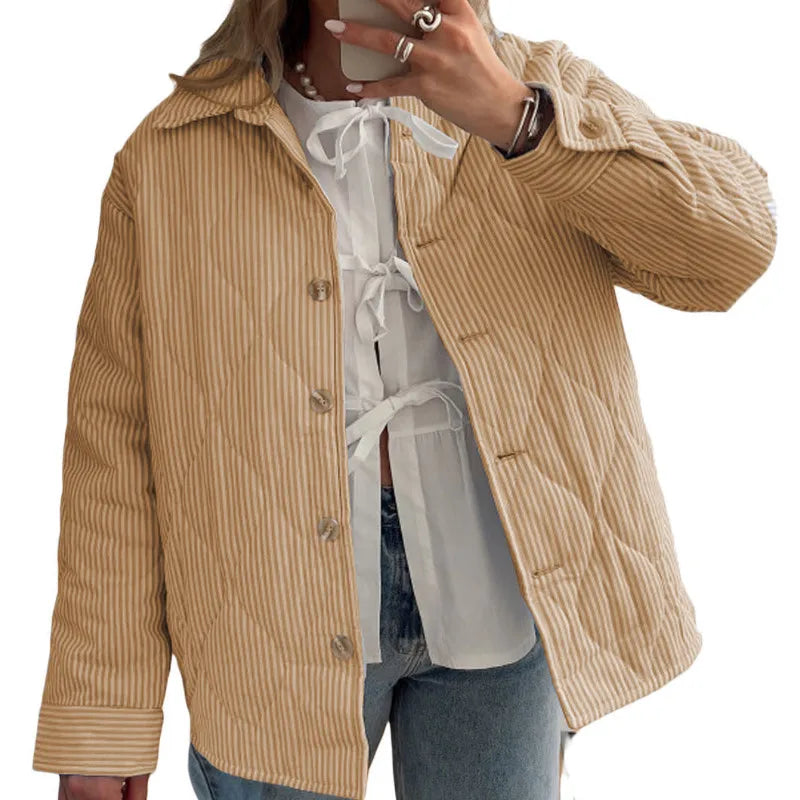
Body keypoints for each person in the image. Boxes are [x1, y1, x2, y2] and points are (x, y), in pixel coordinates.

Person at [32, 1, 777, 798]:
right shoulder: (173, 151)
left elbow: (732, 252)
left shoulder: (535, 89)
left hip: (502, 597)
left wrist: (516, 119)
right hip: (266, 624)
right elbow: (115, 453)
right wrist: (103, 721)